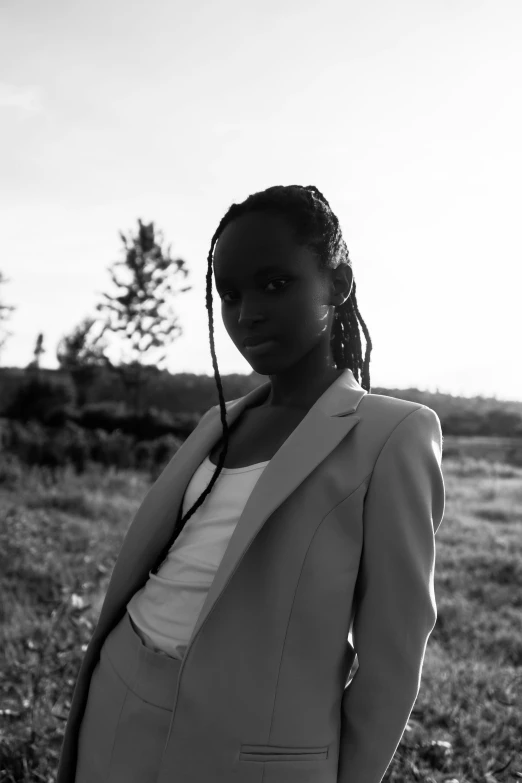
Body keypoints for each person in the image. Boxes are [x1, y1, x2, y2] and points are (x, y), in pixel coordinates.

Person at [56, 184, 445, 783]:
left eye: (275, 283)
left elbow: (393, 657)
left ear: (336, 285)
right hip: (118, 701)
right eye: (230, 295)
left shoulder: (393, 433)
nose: (247, 314)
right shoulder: (221, 420)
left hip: (253, 751)